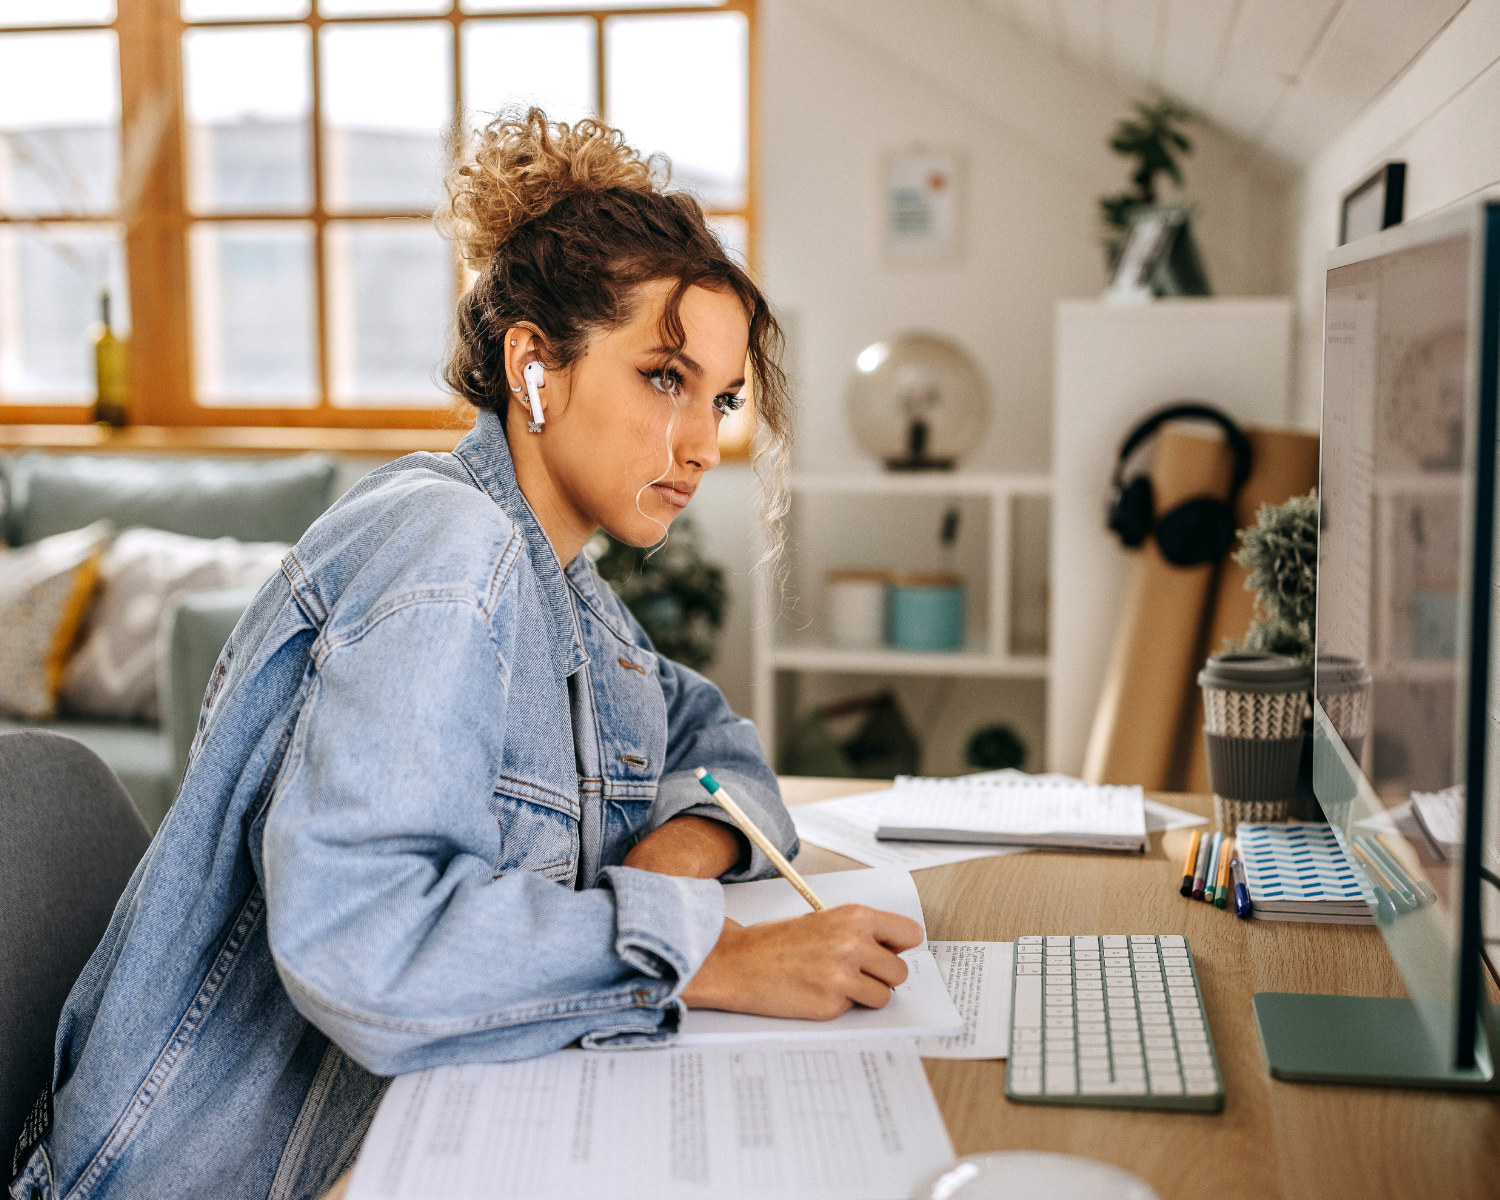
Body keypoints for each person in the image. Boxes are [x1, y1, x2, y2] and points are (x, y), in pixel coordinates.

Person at [9, 111, 922, 1200]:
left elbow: (714, 742)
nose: (701, 443)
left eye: (722, 400)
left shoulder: (568, 592)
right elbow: (363, 935)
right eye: (664, 378)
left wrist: (674, 854)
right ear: (534, 365)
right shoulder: (447, 548)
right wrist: (711, 956)